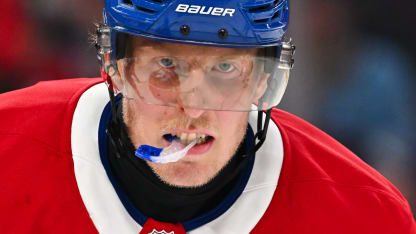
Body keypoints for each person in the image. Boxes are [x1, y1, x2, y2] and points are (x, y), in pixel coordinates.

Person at [0, 0, 415, 233]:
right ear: (115, 66)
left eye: (225, 69)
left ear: (261, 83)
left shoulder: (363, 217)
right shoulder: (9, 151)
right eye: (165, 64)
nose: (194, 108)